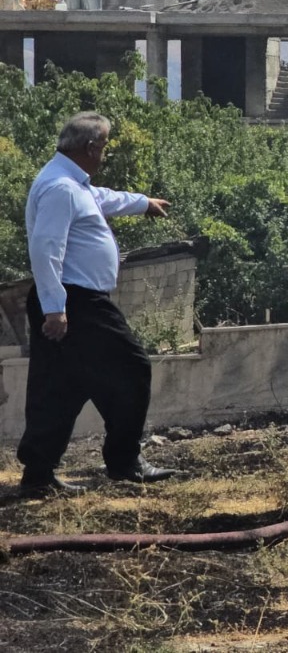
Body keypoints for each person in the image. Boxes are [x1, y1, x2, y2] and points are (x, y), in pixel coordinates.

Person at [18, 113, 178, 497]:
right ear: (91, 148)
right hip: (75, 301)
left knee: (61, 386)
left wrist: (143, 203)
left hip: (69, 299)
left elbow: (102, 198)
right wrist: (56, 308)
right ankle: (125, 461)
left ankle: (38, 474)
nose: (104, 154)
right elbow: (46, 249)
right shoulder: (60, 188)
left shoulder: (72, 183)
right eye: (104, 146)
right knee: (132, 368)